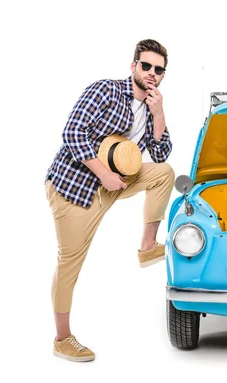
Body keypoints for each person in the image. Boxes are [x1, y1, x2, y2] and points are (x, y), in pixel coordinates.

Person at [45, 39, 175, 362]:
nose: (151, 74)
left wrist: (159, 115)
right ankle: (62, 338)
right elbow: (72, 132)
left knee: (164, 172)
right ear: (133, 66)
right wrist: (103, 174)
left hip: (117, 181)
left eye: (158, 70)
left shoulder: (151, 106)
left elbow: (160, 152)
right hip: (77, 188)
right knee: (69, 263)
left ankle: (147, 247)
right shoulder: (106, 91)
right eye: (146, 66)